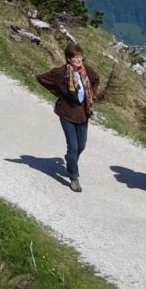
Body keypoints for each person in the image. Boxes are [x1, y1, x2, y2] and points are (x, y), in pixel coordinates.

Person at [36, 45, 102, 191]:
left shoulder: (87, 71)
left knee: (81, 146)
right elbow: (41, 78)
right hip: (67, 114)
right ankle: (74, 177)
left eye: (80, 56)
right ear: (68, 59)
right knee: (73, 147)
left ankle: (70, 161)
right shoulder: (61, 73)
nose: (78, 60)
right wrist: (60, 92)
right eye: (75, 57)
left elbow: (96, 79)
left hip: (84, 114)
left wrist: (92, 93)